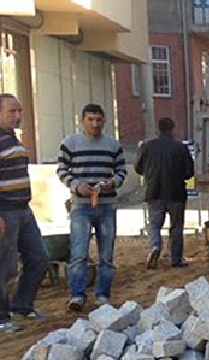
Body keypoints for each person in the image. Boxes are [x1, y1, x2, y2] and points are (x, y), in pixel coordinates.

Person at [58, 103, 125, 312]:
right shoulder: (70, 143)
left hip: (107, 206)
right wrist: (77, 186)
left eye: (98, 120)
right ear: (82, 121)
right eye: (90, 119)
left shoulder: (113, 145)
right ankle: (77, 295)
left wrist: (112, 183)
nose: (95, 124)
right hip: (81, 206)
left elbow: (122, 171)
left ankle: (102, 294)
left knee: (107, 254)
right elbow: (61, 170)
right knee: (78, 253)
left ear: (104, 121)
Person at [0, 94, 49, 331]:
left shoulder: (13, 139)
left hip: (23, 210)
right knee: (5, 266)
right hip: (5, 211)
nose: (18, 116)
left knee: (39, 258)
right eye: (12, 111)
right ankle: (1, 317)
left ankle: (22, 307)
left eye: (19, 111)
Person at [136, 117, 196, 270]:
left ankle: (155, 247)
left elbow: (138, 168)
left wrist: (149, 173)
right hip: (176, 193)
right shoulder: (180, 148)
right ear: (172, 129)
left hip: (154, 191)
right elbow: (189, 172)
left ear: (158, 129)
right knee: (176, 227)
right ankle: (176, 259)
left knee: (155, 224)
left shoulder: (147, 146)